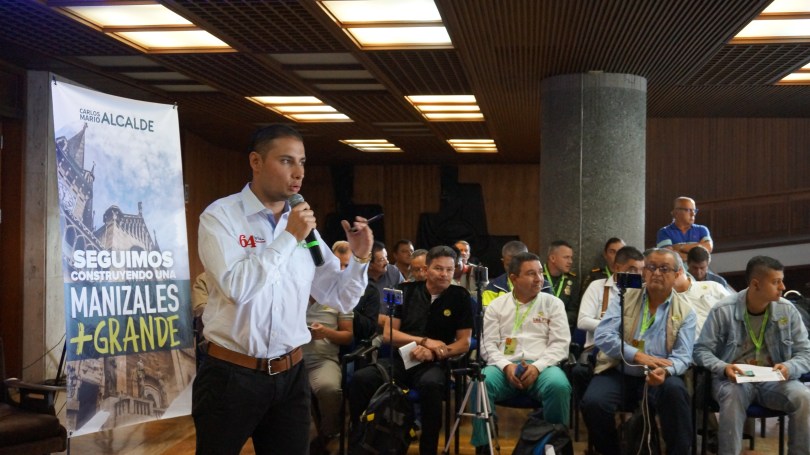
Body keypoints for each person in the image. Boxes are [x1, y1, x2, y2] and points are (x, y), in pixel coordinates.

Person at [194, 124, 373, 455]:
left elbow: (339, 296)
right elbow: (236, 287)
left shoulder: (304, 227)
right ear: (256, 161)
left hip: (291, 375)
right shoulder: (221, 216)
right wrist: (289, 236)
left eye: (302, 162)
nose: (299, 173)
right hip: (231, 375)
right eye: (287, 161)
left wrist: (360, 258)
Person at [348, 246, 473, 455]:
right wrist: (423, 341)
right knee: (361, 379)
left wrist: (434, 352)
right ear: (426, 269)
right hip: (400, 359)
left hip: (435, 363)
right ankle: (360, 442)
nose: (444, 274)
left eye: (449, 270)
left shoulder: (460, 296)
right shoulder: (405, 291)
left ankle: (428, 450)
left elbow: (464, 343)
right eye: (438, 268)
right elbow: (389, 334)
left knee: (431, 385)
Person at [581, 248, 696, 455]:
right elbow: (603, 335)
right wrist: (636, 355)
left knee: (676, 393)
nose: (656, 273)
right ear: (644, 272)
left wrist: (666, 371)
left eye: (664, 268)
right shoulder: (625, 297)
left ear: (677, 274)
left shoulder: (686, 311)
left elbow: (683, 356)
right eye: (651, 267)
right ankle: (611, 452)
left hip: (659, 375)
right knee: (593, 403)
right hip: (620, 369)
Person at [694, 256, 810, 455]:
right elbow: (701, 351)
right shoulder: (723, 310)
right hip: (733, 380)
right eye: (776, 282)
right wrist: (724, 367)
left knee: (804, 397)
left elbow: (805, 353)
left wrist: (789, 367)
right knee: (732, 396)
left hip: (773, 380)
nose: (783, 287)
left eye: (781, 281)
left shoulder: (787, 310)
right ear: (756, 284)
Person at [472, 252, 571, 453]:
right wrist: (506, 366)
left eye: (540, 273)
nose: (539, 278)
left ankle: (553, 446)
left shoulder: (553, 303)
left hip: (543, 367)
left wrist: (537, 367)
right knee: (481, 384)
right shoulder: (496, 306)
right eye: (531, 273)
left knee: (559, 386)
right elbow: (487, 345)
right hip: (503, 366)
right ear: (513, 278)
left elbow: (560, 344)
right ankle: (485, 446)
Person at [577, 246, 645, 349]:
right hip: (599, 348)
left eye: (641, 270)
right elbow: (582, 322)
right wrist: (616, 327)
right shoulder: (597, 286)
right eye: (632, 269)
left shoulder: (643, 292)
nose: (638, 275)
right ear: (617, 268)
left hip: (633, 347)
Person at [333, 241, 380, 344]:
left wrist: (348, 306)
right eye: (337, 265)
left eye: (346, 266)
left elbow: (369, 329)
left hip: (352, 344)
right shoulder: (324, 285)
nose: (341, 270)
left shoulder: (370, 290)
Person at [673, 267, 731, 338]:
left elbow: (736, 311)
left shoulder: (713, 286)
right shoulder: (666, 307)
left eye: (665, 270)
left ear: (680, 270)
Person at [656, 196, 713, 261]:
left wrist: (681, 247)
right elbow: (668, 256)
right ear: (676, 212)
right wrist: (696, 256)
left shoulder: (702, 229)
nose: (693, 214)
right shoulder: (664, 232)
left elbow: (708, 248)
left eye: (694, 210)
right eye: (688, 210)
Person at [542, 240, 579, 329]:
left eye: (571, 257)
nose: (570, 261)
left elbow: (573, 310)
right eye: (566, 257)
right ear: (552, 258)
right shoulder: (538, 276)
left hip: (561, 327)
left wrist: (557, 320)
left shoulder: (572, 279)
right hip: (538, 326)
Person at [481, 240, 528, 307]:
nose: (513, 270)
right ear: (503, 262)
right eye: (508, 265)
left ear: (527, 262)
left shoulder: (540, 285)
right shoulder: (493, 288)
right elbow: (489, 312)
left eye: (517, 265)